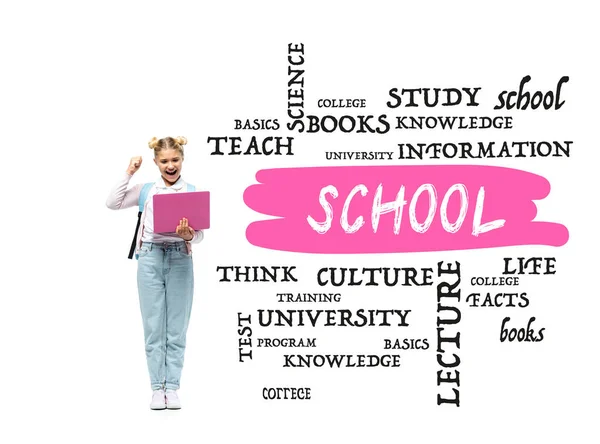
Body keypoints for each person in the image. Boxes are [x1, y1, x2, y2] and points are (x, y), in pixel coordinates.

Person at [106, 136, 203, 410]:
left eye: (175, 160)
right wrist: (129, 172)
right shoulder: (146, 190)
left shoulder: (191, 191)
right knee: (153, 327)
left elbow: (200, 236)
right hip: (149, 258)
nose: (170, 166)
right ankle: (156, 387)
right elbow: (112, 203)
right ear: (156, 162)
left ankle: (172, 387)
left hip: (180, 258)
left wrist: (190, 235)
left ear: (182, 159)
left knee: (177, 327)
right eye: (164, 161)